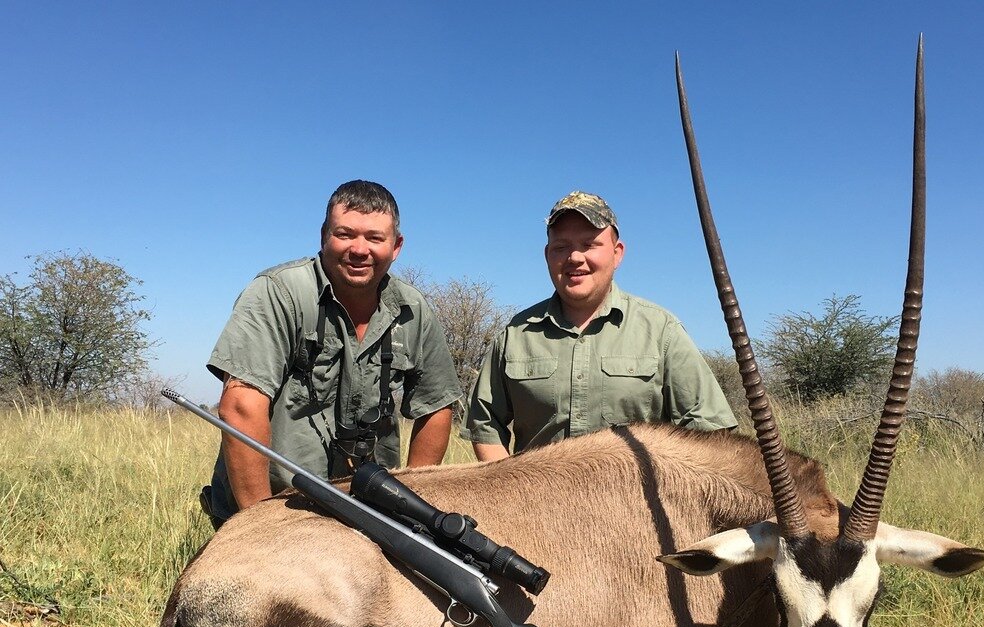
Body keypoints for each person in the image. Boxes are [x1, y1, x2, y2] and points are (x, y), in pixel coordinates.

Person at [203, 180, 463, 526]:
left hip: (365, 513)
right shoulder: (279, 292)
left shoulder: (413, 309)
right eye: (345, 234)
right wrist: (258, 525)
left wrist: (411, 507)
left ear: (396, 246)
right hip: (275, 506)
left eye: (374, 238)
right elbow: (240, 405)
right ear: (324, 235)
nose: (359, 249)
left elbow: (436, 406)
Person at [462, 190, 736, 460]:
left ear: (617, 253)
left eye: (589, 244)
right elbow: (485, 426)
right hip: (536, 502)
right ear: (547, 255)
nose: (575, 257)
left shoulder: (661, 329)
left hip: (634, 503)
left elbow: (711, 433)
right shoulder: (516, 334)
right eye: (561, 247)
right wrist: (514, 493)